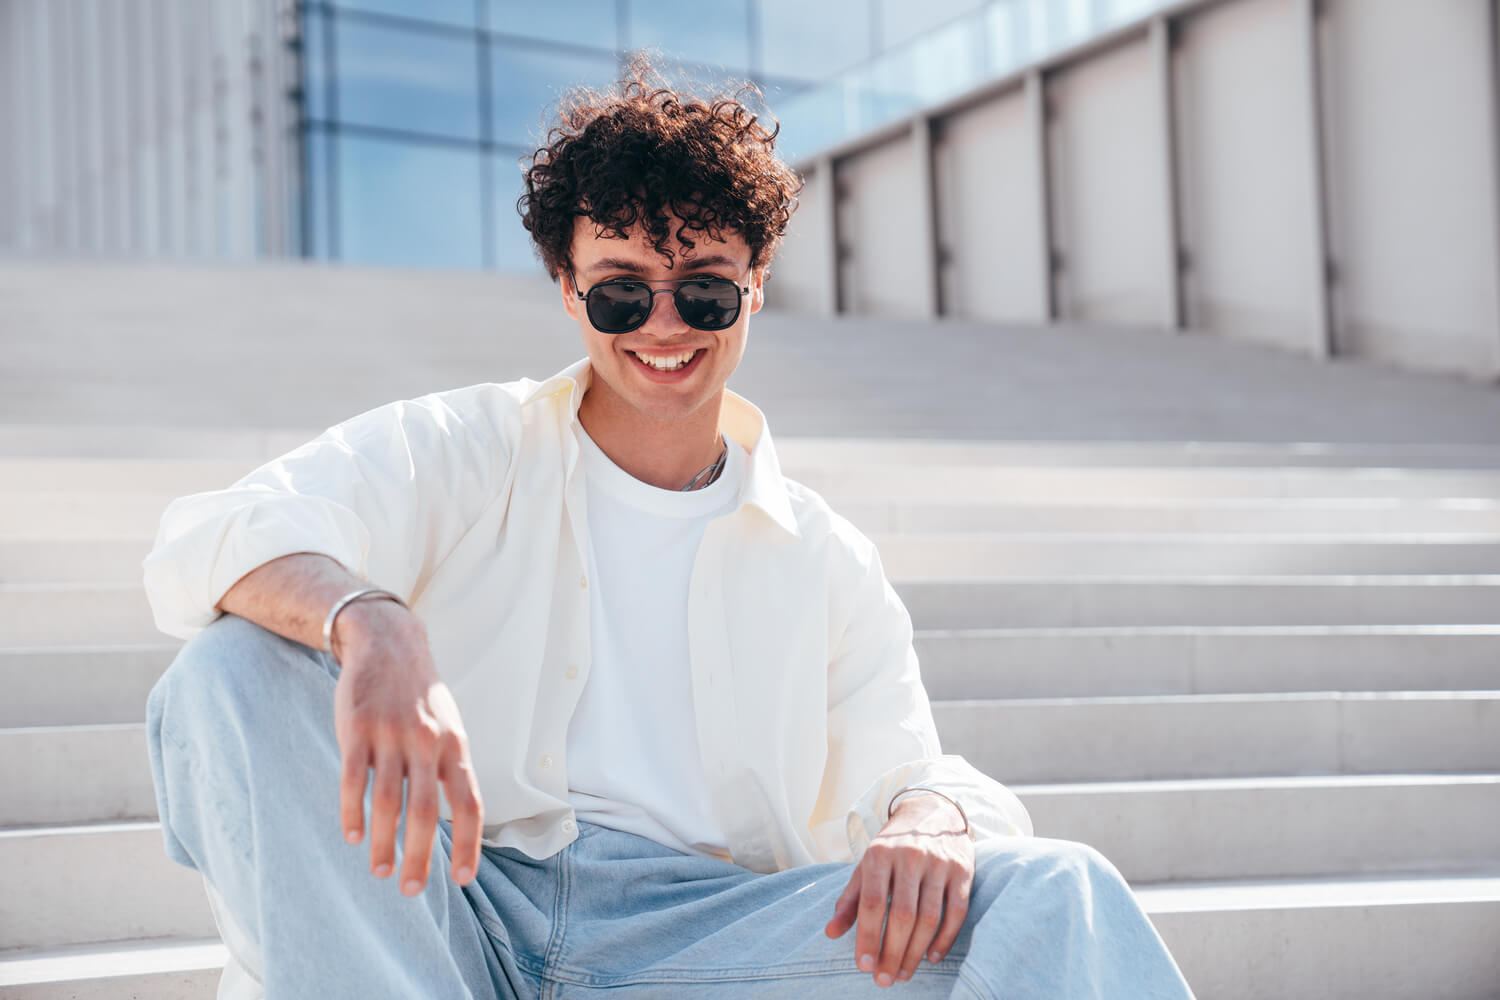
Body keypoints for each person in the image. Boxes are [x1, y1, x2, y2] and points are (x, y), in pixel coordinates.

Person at [143, 55, 1194, 999]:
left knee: (1059, 892)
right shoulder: (466, 446)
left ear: (755, 290)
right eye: (619, 295)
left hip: (703, 942)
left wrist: (933, 819)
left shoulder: (825, 558)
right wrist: (366, 618)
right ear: (565, 289)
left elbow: (911, 768)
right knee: (229, 670)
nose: (663, 327)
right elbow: (213, 535)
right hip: (438, 909)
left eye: (703, 292)